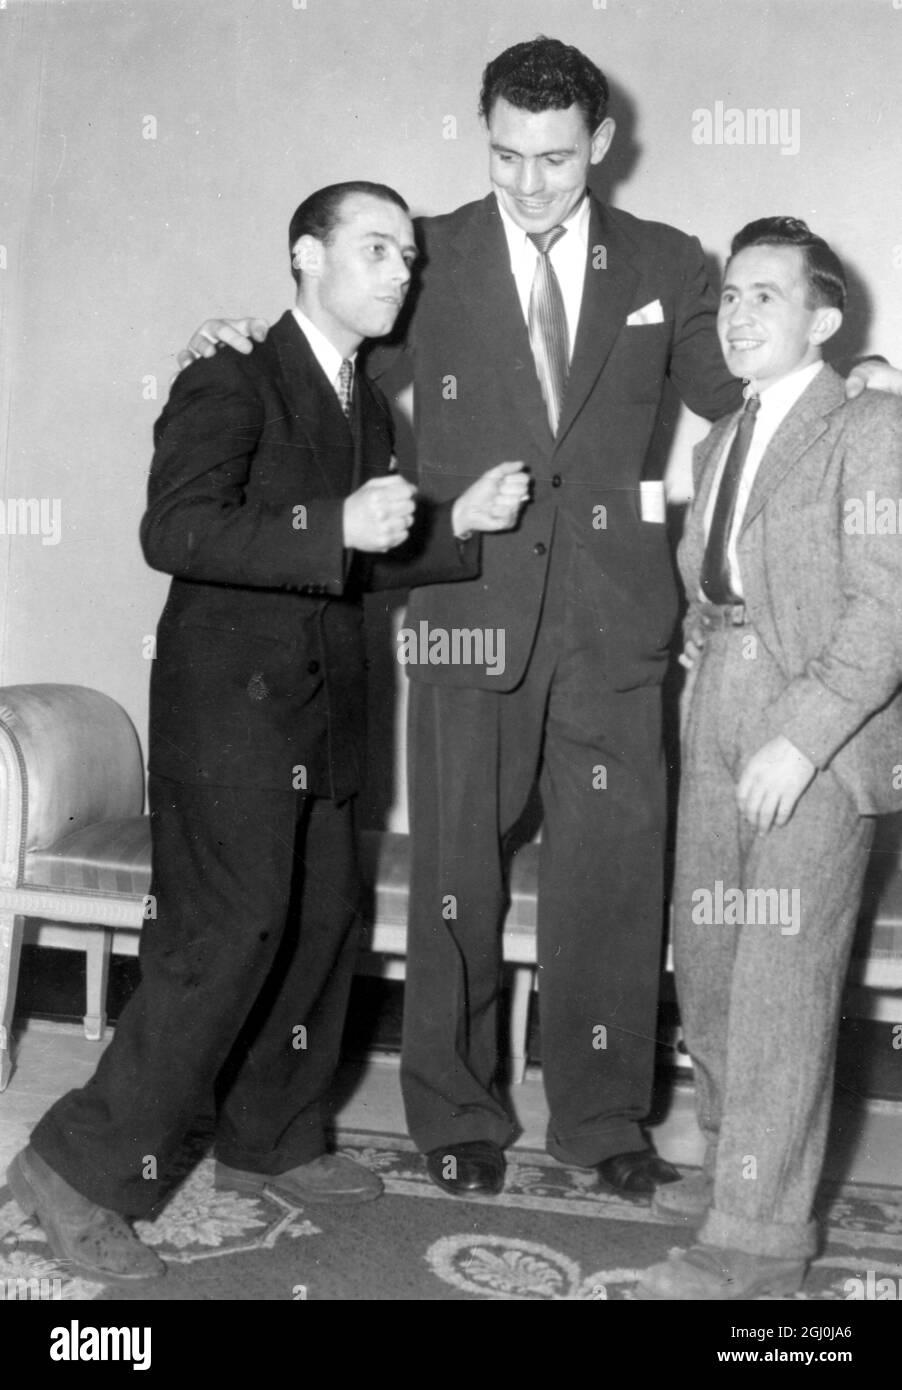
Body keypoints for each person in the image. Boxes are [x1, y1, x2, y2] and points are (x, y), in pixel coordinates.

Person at [178, 38, 901, 1202]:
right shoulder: (434, 254)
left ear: (600, 146)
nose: (527, 182)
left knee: (613, 879)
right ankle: (454, 1113)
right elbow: (337, 351)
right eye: (506, 155)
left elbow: (745, 388)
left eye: (554, 159)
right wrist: (241, 347)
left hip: (617, 628)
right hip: (467, 611)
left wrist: (856, 370)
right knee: (456, 873)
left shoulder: (666, 261)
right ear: (486, 139)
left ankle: (602, 1115)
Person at [6, 181, 529, 1282]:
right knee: (224, 942)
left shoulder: (365, 404)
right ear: (306, 255)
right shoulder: (228, 373)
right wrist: (329, 520)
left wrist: (455, 529)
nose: (401, 271)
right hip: (228, 719)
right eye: (376, 249)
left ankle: (270, 1140)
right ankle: (75, 1168)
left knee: (317, 926)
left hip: (327, 712)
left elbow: (361, 553)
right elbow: (176, 527)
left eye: (408, 256)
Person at [636, 217, 902, 1300]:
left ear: (822, 320)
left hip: (817, 738)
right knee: (706, 966)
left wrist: (797, 737)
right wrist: (705, 638)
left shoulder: (870, 426)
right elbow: (724, 583)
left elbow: (886, 604)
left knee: (781, 984)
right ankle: (730, 1167)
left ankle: (754, 1248)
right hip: (718, 712)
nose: (736, 315)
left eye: (763, 296)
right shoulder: (719, 438)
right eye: (728, 297)